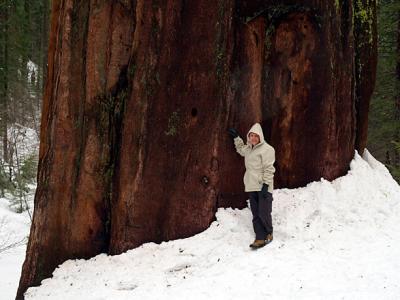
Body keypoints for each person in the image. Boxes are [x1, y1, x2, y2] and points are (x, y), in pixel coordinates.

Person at [228, 123, 275, 249]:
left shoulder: (267, 149)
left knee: (264, 212)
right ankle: (259, 237)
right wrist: (236, 137)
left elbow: (269, 169)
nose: (253, 138)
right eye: (251, 135)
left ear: (260, 137)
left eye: (256, 136)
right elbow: (240, 149)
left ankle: (269, 232)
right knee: (255, 213)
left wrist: (266, 185)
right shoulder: (248, 149)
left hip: (263, 186)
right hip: (251, 185)